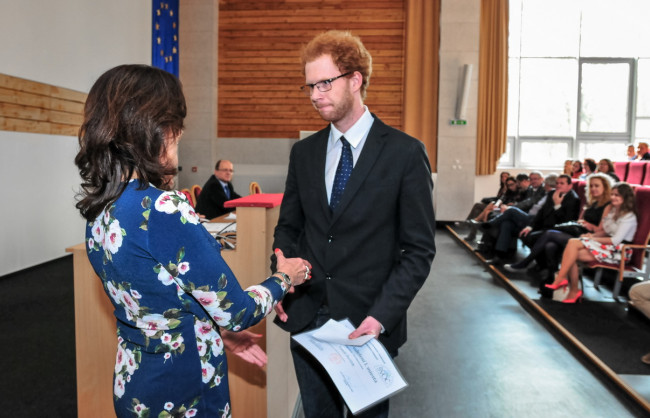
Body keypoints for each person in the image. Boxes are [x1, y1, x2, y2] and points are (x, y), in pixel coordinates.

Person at [74, 64, 312, 417]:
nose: (181, 135)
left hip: (135, 383)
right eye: (177, 126)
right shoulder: (162, 208)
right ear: (158, 130)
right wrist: (286, 277)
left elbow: (154, 299)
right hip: (184, 389)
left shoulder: (99, 209)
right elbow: (237, 311)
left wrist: (207, 330)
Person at [270, 30, 436, 418]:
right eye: (309, 86)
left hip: (369, 325)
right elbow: (289, 228)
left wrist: (380, 317)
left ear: (356, 79)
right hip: (309, 318)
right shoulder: (304, 153)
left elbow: (418, 250)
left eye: (325, 83)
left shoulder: (405, 154)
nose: (315, 95)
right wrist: (280, 275)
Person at [504, 173, 613, 275]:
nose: (593, 188)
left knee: (548, 234)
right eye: (592, 186)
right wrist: (530, 226)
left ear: (605, 187)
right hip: (577, 230)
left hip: (588, 237)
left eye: (597, 186)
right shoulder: (592, 202)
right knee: (549, 245)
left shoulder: (603, 204)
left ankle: (524, 263)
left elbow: (601, 230)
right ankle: (551, 275)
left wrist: (557, 205)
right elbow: (543, 213)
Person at [546, 182, 637, 303]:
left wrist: (592, 239)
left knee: (572, 244)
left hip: (620, 251)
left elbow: (615, 240)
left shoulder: (629, 217)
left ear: (626, 198)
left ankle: (564, 281)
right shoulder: (612, 211)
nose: (613, 197)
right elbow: (605, 231)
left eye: (617, 195)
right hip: (606, 246)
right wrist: (592, 235)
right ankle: (573, 289)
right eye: (612, 194)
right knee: (571, 253)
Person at [479, 174, 580, 265]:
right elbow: (540, 212)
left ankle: (489, 225)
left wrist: (557, 205)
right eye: (557, 183)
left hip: (551, 228)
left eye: (562, 183)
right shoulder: (552, 193)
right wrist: (530, 226)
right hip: (535, 220)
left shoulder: (573, 199)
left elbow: (567, 221)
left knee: (511, 211)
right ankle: (500, 256)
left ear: (570, 186)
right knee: (507, 223)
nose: (558, 185)